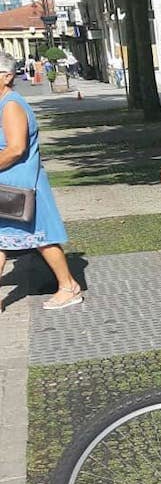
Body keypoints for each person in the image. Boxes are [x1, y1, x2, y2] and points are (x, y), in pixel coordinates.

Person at [0, 53, 83, 312]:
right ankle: (68, 285)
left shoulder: (11, 104)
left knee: (42, 239)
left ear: (7, 76)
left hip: (21, 188)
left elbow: (15, 148)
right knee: (7, 240)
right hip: (9, 187)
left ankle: (68, 286)